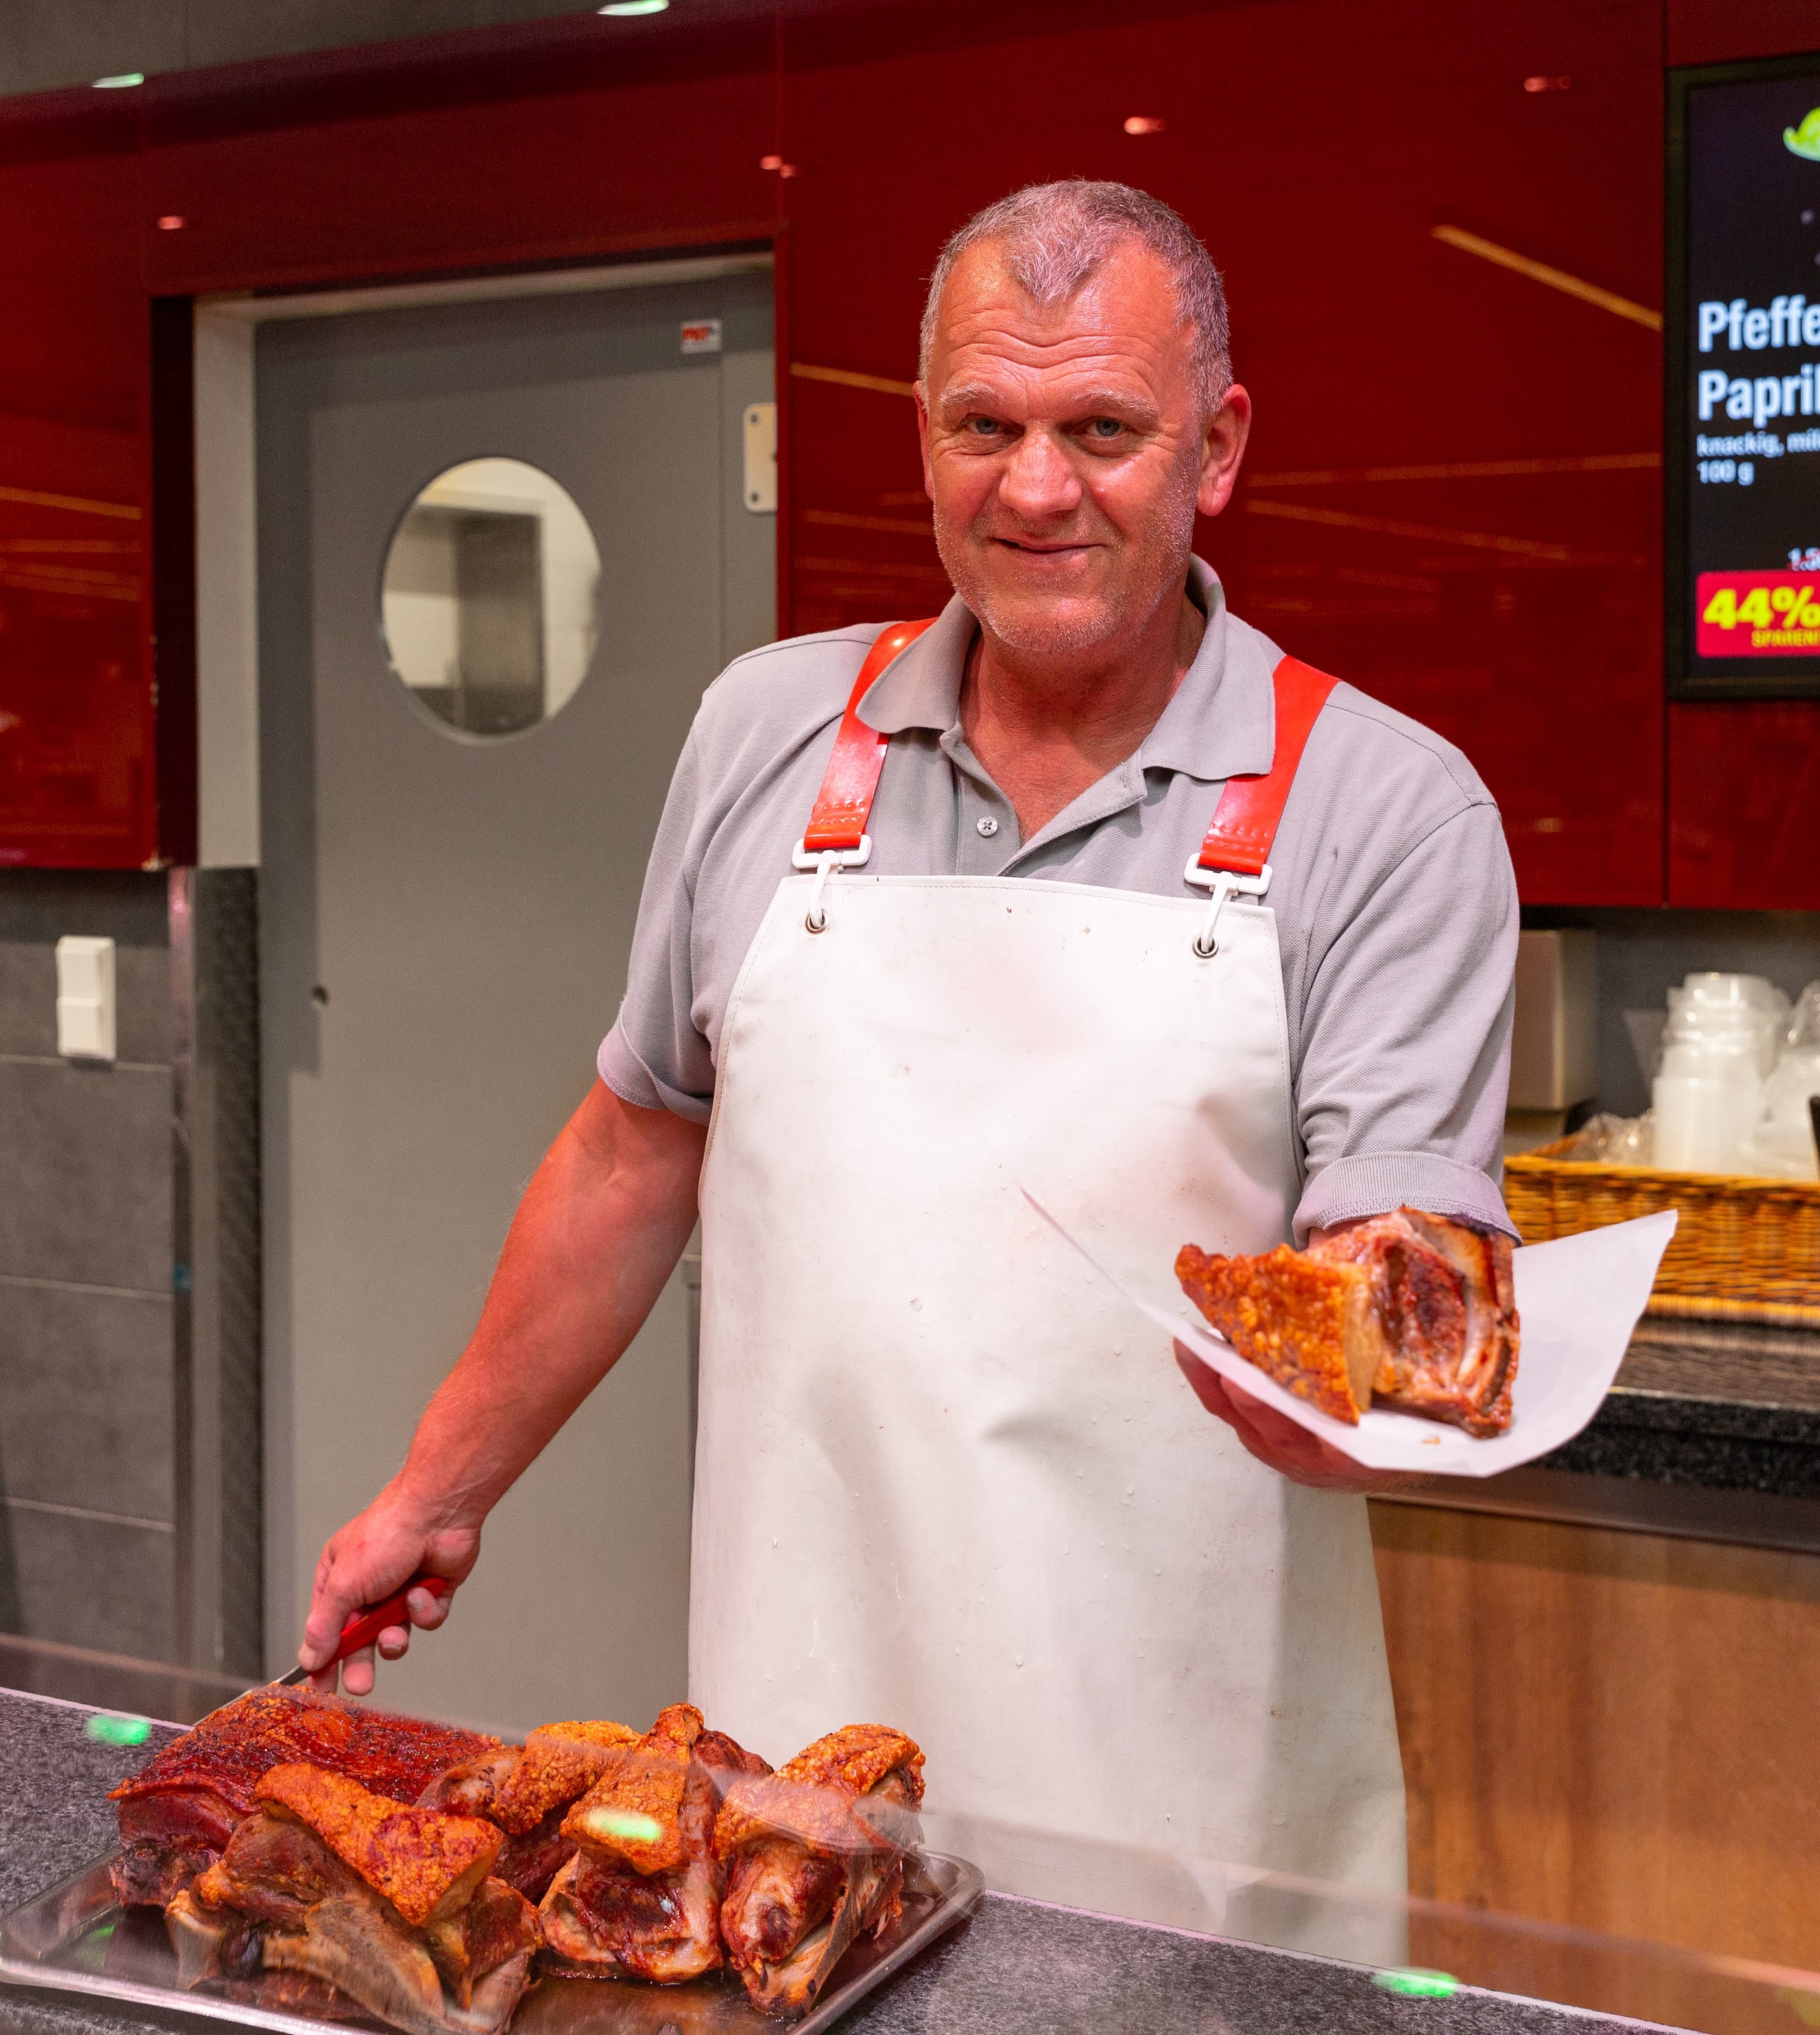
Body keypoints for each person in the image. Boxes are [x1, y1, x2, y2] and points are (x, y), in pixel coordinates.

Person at [298, 180, 1517, 1918]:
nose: (1036, 488)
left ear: (1218, 446)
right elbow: (637, 1150)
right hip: (794, 1789)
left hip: (1181, 1802)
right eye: (985, 425)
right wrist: (434, 1486)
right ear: (921, 438)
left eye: (1104, 428)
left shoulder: (1386, 809)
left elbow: (1399, 1261)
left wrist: (1363, 1402)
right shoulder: (764, 734)